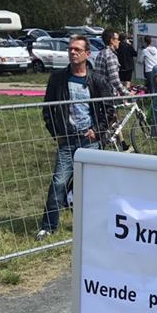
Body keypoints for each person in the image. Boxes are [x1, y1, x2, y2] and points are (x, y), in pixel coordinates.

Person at [35, 37, 115, 239]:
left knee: (92, 186)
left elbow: (109, 111)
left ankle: (95, 224)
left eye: (77, 49)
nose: (73, 52)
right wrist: (56, 133)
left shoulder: (97, 80)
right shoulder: (58, 79)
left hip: (90, 141)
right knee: (59, 183)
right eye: (70, 49)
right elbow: (48, 109)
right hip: (67, 140)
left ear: (87, 54)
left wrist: (98, 131)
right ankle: (48, 227)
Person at [95, 29, 127, 95]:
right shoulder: (111, 56)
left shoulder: (101, 53)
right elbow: (115, 80)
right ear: (112, 40)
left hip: (100, 92)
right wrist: (127, 93)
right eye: (118, 39)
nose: (119, 41)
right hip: (109, 93)